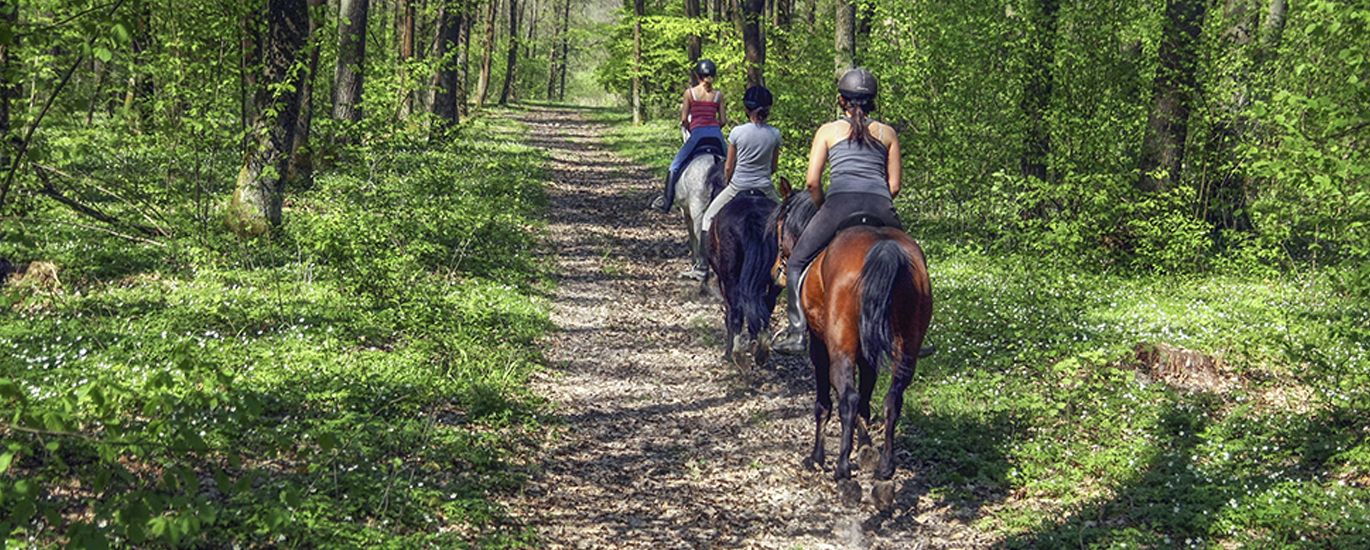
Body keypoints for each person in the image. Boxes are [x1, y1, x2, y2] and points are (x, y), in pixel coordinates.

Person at [772, 68, 905, 354]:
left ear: (842, 101)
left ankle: (796, 333)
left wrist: (824, 209)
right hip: (881, 205)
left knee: (795, 264)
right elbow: (894, 187)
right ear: (873, 102)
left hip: (839, 205)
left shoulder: (828, 131)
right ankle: (910, 332)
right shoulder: (888, 133)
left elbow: (812, 182)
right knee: (911, 264)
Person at [694, 85, 782, 266]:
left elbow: (728, 167)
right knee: (787, 220)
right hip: (765, 188)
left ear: (746, 109)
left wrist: (729, 182)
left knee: (707, 217)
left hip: (738, 186)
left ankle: (703, 266)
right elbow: (773, 167)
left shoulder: (737, 132)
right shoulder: (775, 134)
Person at [652, 59, 728, 213]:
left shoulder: (690, 93)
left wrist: (692, 128)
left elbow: (684, 119)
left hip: (697, 135)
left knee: (675, 165)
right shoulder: (718, 95)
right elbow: (723, 121)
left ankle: (666, 201)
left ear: (698, 76)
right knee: (731, 166)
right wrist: (713, 128)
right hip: (716, 135)